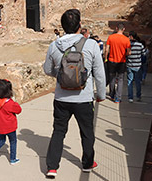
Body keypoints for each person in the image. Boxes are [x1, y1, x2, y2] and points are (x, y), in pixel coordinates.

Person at [43, 9, 106, 178]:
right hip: (84, 98)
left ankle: (52, 167)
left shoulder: (54, 45)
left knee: (58, 131)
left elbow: (47, 70)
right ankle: (87, 163)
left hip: (61, 98)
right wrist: (101, 94)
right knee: (87, 132)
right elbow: (99, 73)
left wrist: (62, 75)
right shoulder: (91, 44)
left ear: (63, 27)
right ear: (79, 26)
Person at [0, 79, 22, 167]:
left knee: (1, 140)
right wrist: (14, 102)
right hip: (10, 127)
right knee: (13, 141)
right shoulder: (10, 103)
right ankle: (13, 159)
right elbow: (18, 110)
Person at [104, 23, 131, 103]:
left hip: (112, 60)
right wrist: (124, 55)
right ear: (123, 29)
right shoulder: (126, 39)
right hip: (121, 61)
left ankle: (112, 94)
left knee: (112, 78)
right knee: (120, 79)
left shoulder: (111, 37)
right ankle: (118, 98)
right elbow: (129, 52)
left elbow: (106, 49)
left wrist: (106, 58)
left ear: (116, 28)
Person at [126, 31, 145, 103]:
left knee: (130, 81)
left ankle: (130, 97)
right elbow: (143, 54)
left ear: (131, 36)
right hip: (138, 66)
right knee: (138, 82)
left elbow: (126, 54)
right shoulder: (140, 45)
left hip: (130, 65)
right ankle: (138, 96)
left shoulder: (128, 45)